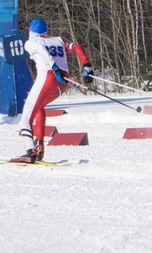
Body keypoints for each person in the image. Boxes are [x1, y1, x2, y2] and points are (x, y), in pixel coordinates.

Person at [17, 18, 94, 163]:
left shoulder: (31, 43)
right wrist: (86, 64)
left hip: (48, 77)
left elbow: (41, 50)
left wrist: (53, 66)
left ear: (30, 31)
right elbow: (76, 47)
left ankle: (30, 151)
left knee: (25, 118)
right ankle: (40, 148)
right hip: (62, 83)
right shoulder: (58, 41)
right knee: (39, 108)